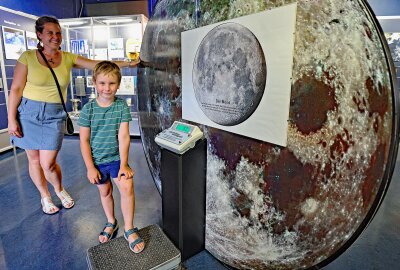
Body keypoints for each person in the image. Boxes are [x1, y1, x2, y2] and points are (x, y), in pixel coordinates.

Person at [7, 16, 138, 215]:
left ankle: (59, 189)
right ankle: (45, 196)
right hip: (28, 113)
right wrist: (11, 119)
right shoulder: (27, 57)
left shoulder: (67, 58)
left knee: (48, 162)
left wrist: (128, 63)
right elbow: (16, 89)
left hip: (54, 114)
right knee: (34, 160)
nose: (55, 37)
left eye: (58, 32)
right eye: (50, 32)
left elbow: (99, 64)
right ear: (40, 35)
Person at [78, 61, 145, 253]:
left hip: (116, 159)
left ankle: (129, 228)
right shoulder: (88, 110)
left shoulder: (121, 106)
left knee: (127, 186)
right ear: (94, 82)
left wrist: (124, 164)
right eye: (102, 83)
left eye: (112, 83)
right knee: (105, 192)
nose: (107, 88)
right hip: (97, 161)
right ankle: (111, 221)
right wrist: (90, 167)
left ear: (118, 84)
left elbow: (123, 136)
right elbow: (84, 141)